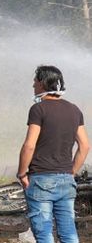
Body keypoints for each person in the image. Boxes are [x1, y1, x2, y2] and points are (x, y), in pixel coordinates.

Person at [17, 65, 89, 243]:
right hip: (66, 180)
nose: (33, 85)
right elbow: (85, 145)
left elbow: (29, 146)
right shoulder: (74, 109)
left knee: (44, 234)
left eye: (35, 81)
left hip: (41, 178)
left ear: (42, 83)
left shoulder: (38, 109)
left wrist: (22, 173)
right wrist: (71, 171)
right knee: (69, 233)